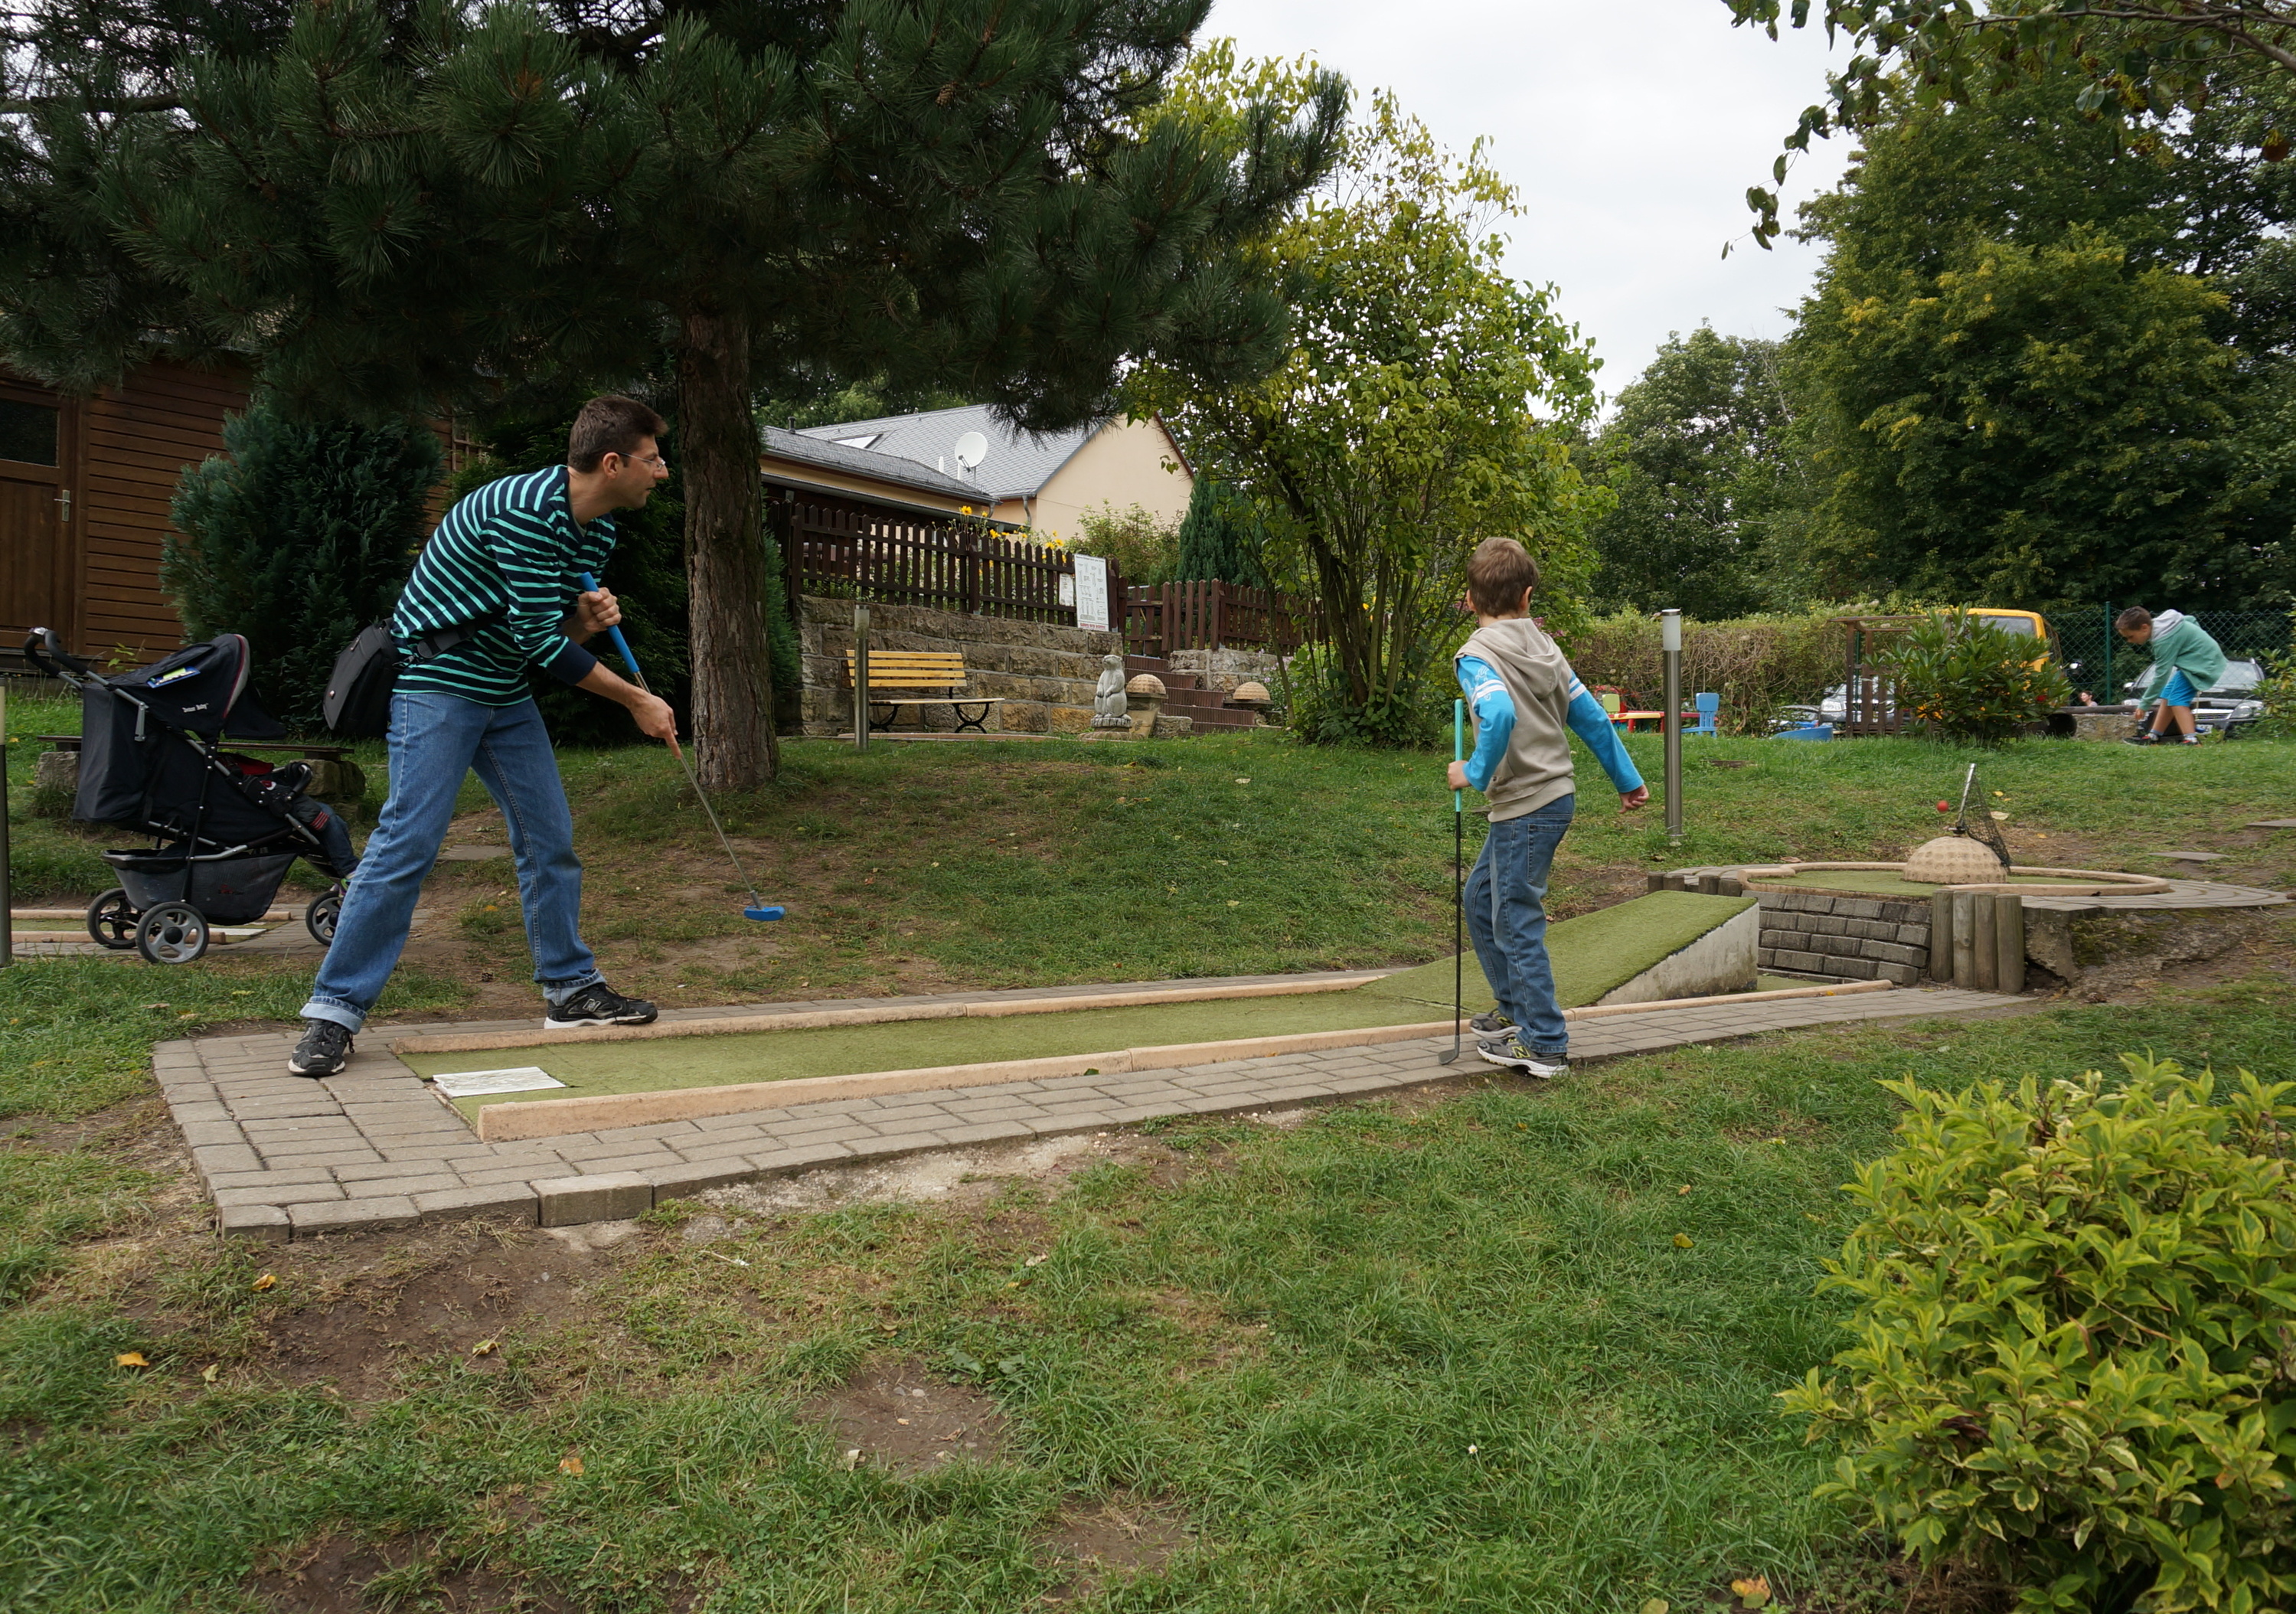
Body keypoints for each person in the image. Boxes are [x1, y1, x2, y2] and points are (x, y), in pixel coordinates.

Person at [288, 396, 682, 1077]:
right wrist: (636, 700)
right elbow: (539, 646)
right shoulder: (522, 511)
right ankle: (333, 1012)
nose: (663, 471)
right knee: (407, 844)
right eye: (653, 459)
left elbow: (547, 638)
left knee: (549, 839)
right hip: (437, 686)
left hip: (503, 692)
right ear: (614, 463)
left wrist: (585, 625)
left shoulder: (595, 534)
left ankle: (569, 990)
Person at [1446, 537, 1649, 1078]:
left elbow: (1497, 714)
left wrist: (1473, 772)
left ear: (1470, 599)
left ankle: (1544, 1042)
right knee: (1481, 897)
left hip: (1525, 804)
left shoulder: (1477, 657)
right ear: (1527, 596)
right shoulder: (1547, 650)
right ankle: (1515, 1010)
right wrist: (1626, 779)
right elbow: (1589, 716)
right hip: (1551, 798)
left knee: (1514, 920)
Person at [2117, 606, 2226, 747]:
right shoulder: (2164, 624)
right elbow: (2190, 620)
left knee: (2177, 699)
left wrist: (2144, 705)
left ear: (2144, 627)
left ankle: (2192, 740)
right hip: (2200, 659)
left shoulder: (2163, 640)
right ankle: (2153, 737)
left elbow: (2161, 677)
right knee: (2168, 695)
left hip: (2202, 662)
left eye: (2130, 637)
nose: (2129, 641)